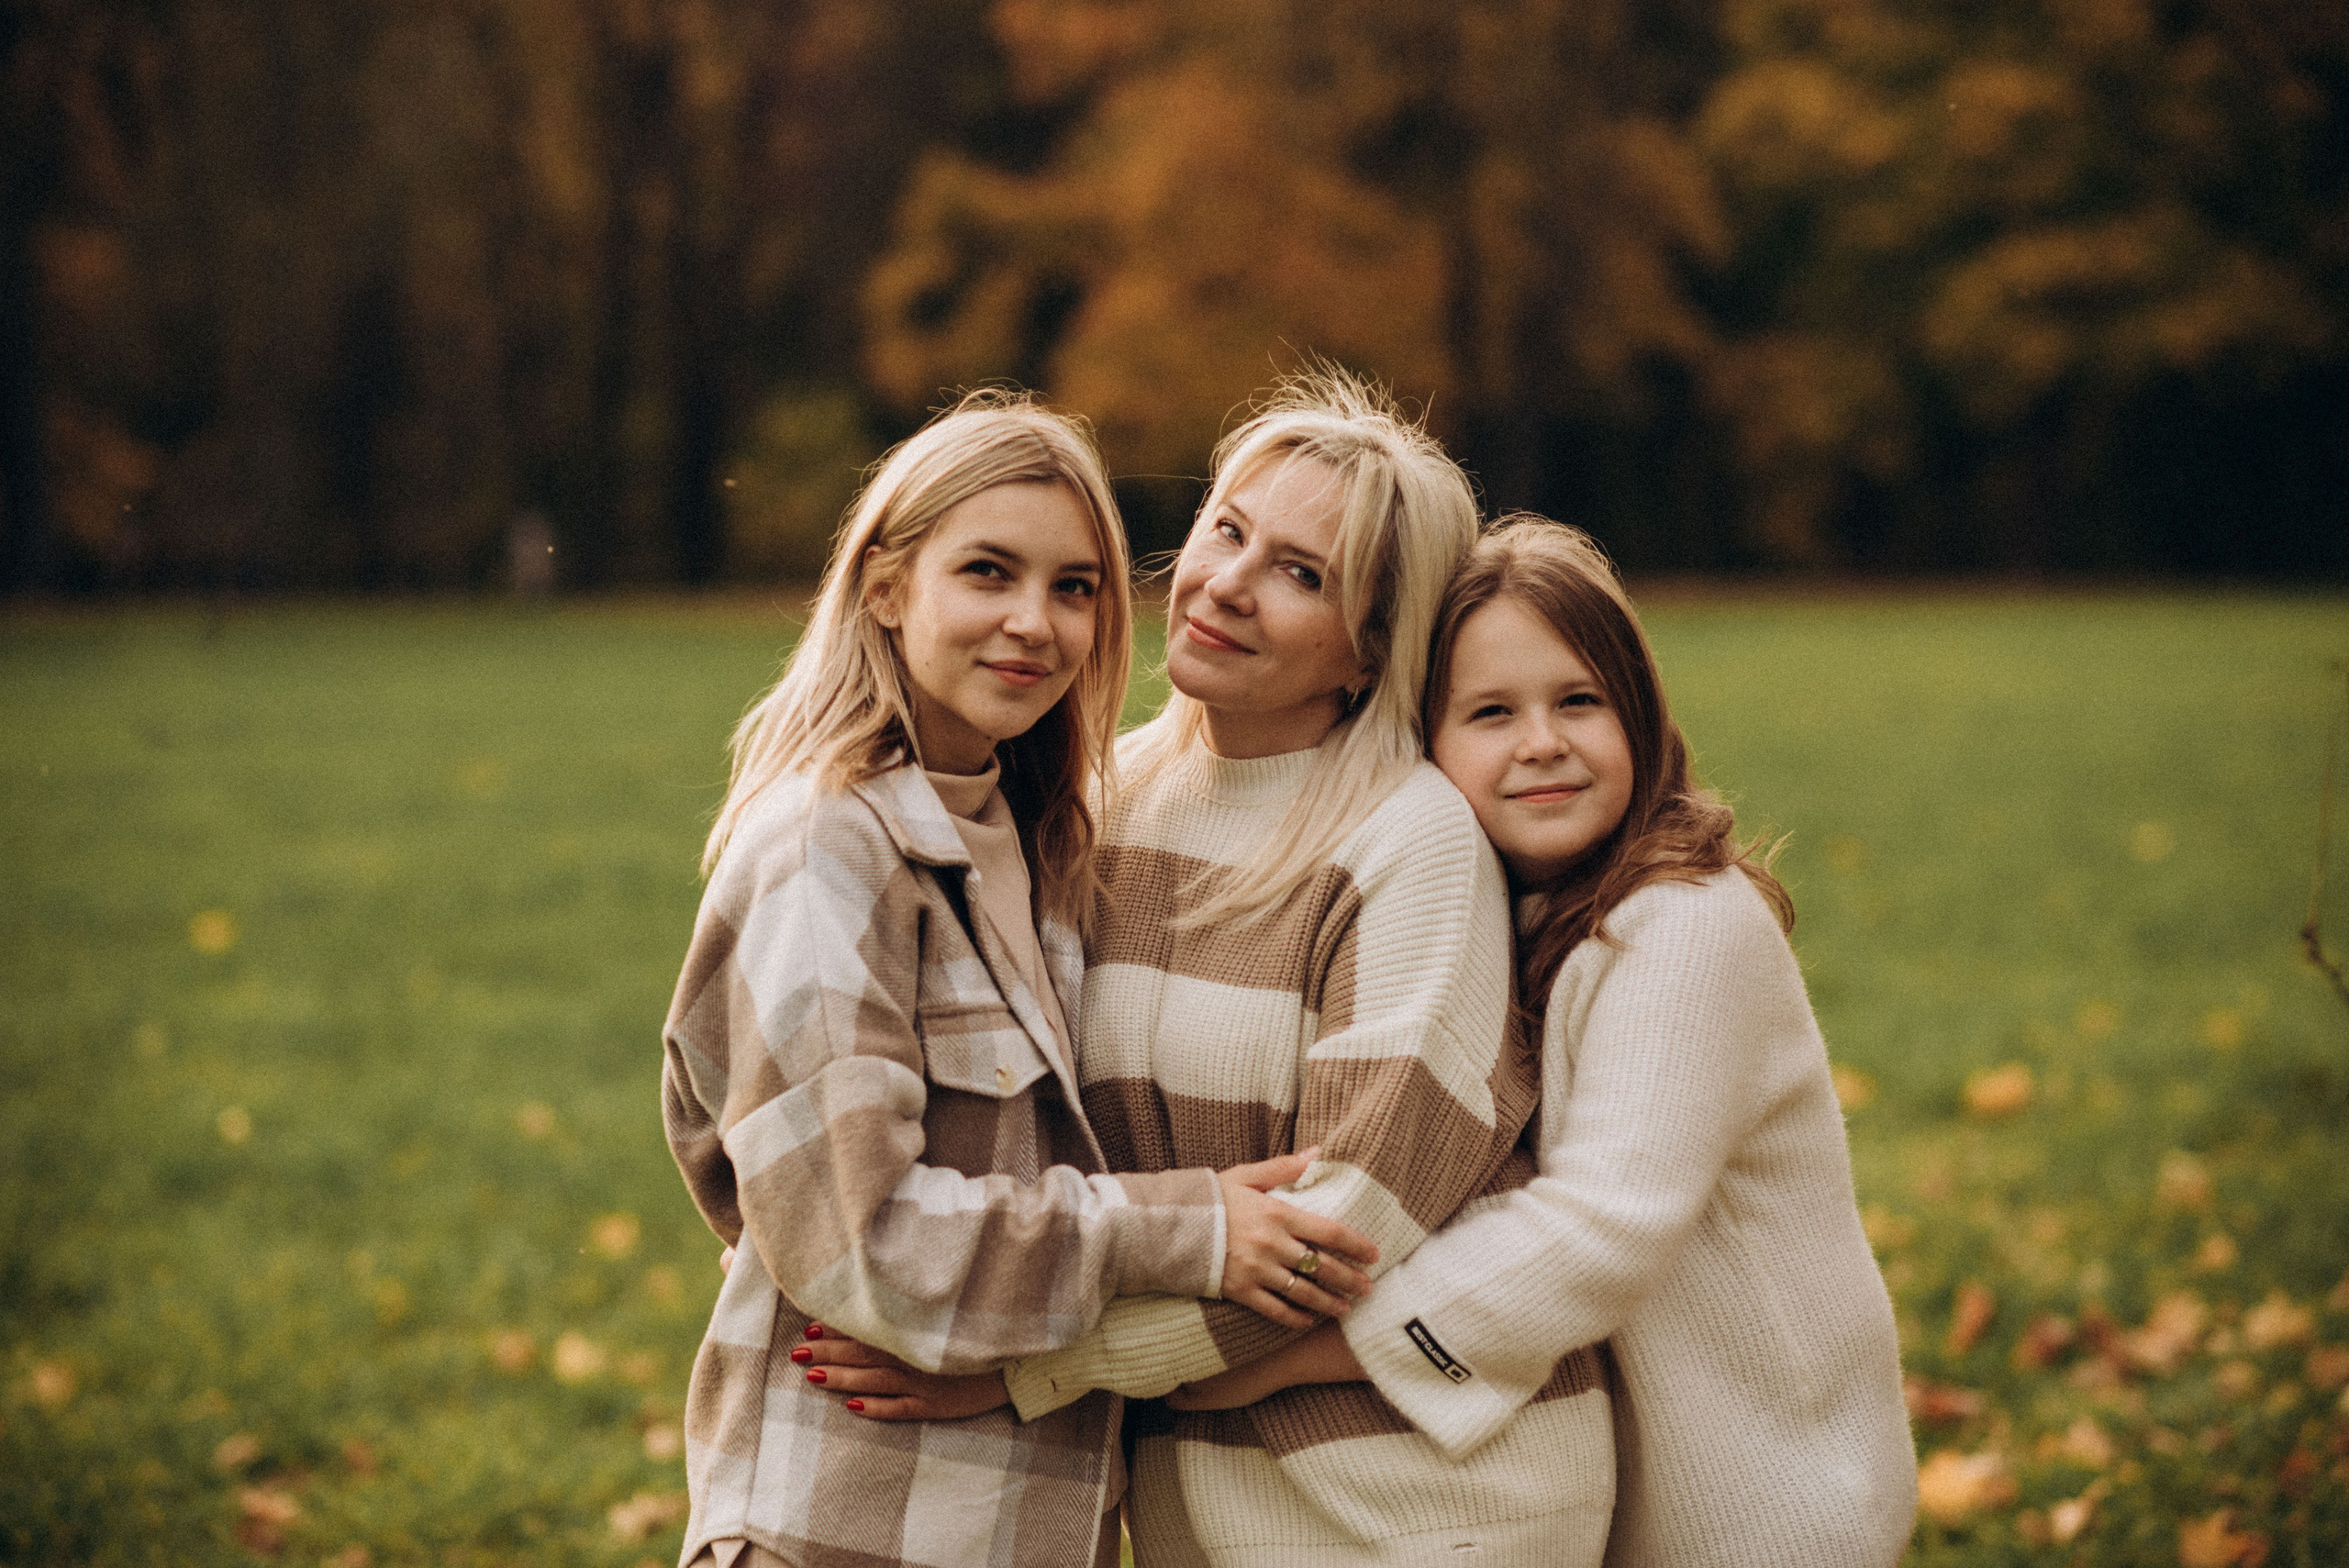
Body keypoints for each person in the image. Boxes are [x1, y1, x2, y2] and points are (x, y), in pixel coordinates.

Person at [801, 373, 1616, 1565]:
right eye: (1229, 530)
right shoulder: (1099, 798)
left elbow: (1346, 1222)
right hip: (1194, 1501)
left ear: (1370, 649)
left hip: (1426, 1505)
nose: (1228, 581)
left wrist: (1033, 1364)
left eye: (1301, 573)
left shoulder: (1410, 842)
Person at [662, 389, 1377, 1568]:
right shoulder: (823, 849)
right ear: (886, 583)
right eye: (988, 572)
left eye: (1074, 586)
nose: (1034, 623)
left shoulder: (1036, 839)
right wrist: (1187, 1229)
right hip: (847, 1521)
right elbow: (863, 1239)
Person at [1169, 517, 1918, 1566]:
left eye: (1578, 700)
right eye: (1488, 712)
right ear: (1420, 744)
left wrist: (1296, 1351)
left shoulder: (1682, 921)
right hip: (1619, 1499)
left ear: (1640, 713)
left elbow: (1598, 1223)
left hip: (1764, 1503)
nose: (1541, 742)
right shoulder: (1490, 913)